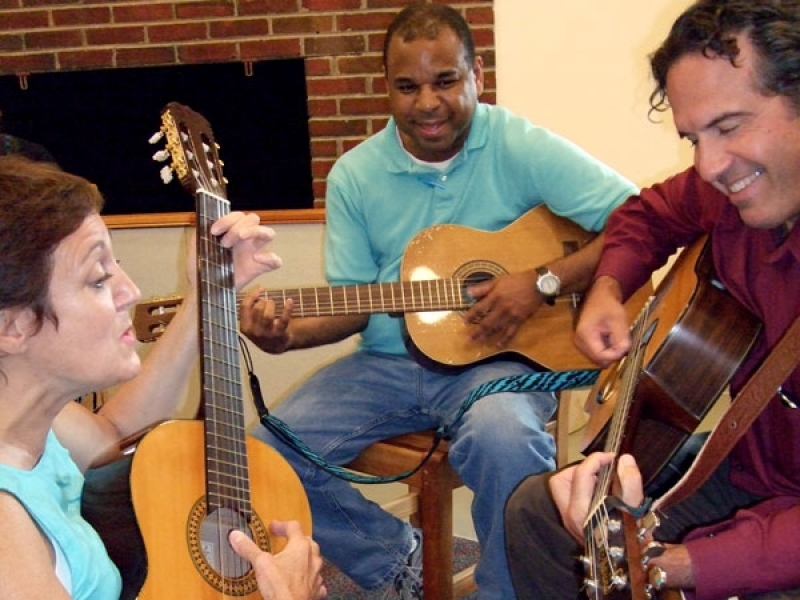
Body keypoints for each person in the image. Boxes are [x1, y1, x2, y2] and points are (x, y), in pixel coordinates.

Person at [238, 3, 637, 598]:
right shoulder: (355, 175)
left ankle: (510, 590)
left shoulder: (518, 145)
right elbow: (352, 301)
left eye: (446, 80)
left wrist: (543, 282)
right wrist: (285, 336)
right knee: (261, 454)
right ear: (387, 90)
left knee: (503, 436)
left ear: (477, 76)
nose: (427, 102)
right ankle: (393, 560)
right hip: (385, 366)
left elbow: (634, 222)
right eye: (408, 86)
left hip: (502, 362)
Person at [505, 1, 800, 599]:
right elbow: (647, 215)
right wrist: (610, 287)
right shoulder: (730, 193)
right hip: (749, 472)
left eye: (729, 125)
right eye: (693, 137)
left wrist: (674, 563)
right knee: (539, 512)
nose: (709, 165)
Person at [0, 155, 326, 600]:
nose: (129, 291)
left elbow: (112, 437)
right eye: (98, 279)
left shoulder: (30, 425)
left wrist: (206, 293)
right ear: (12, 327)